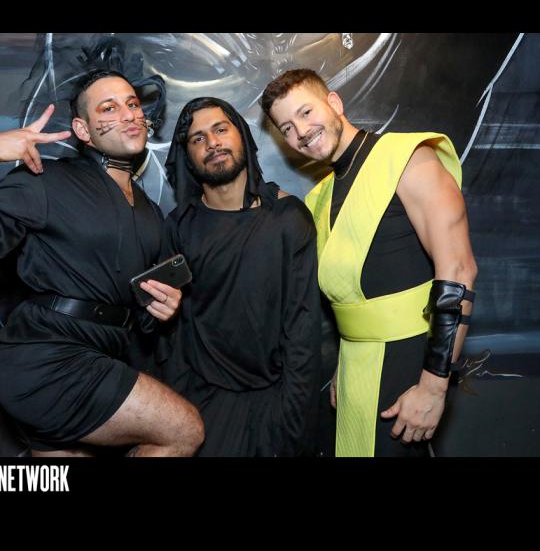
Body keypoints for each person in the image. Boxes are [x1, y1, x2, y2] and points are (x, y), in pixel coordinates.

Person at [0, 69, 204, 457]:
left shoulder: (149, 212)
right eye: (109, 108)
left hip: (103, 352)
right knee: (184, 430)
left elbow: (138, 308)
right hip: (48, 359)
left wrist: (163, 307)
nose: (128, 114)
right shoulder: (45, 181)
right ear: (83, 129)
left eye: (132, 104)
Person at [261, 69, 478, 457]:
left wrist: (433, 387)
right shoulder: (320, 198)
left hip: (411, 368)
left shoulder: (407, 157)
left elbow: (459, 271)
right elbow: (352, 296)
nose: (301, 132)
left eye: (306, 112)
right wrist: (345, 365)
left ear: (334, 103)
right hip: (356, 372)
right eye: (287, 128)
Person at [159, 97, 323, 456]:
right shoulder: (179, 229)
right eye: (198, 138)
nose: (212, 143)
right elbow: (174, 335)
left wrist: (291, 422)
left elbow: (302, 331)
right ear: (187, 155)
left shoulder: (287, 218)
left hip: (276, 405)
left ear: (242, 137)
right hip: (202, 406)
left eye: (221, 129)